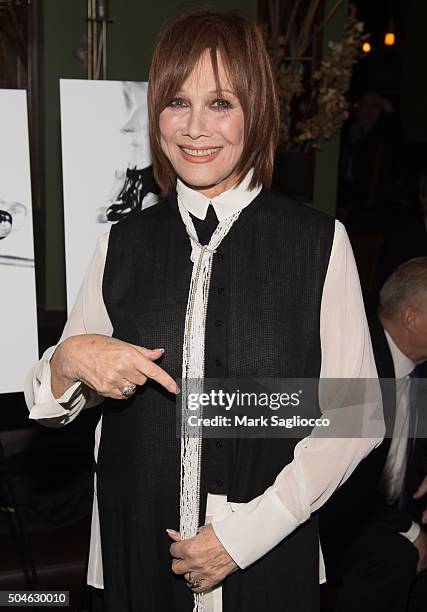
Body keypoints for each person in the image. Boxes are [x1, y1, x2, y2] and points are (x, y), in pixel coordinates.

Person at [25, 10, 383, 612]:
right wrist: (65, 363)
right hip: (133, 555)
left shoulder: (320, 243)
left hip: (267, 558)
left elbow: (359, 416)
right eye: (176, 103)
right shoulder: (120, 244)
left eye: (220, 103)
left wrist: (243, 537)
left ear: (257, 112)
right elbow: (48, 405)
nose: (195, 128)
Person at [320, 257, 427, 612]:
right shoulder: (355, 361)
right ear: (411, 318)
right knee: (394, 557)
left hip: (390, 509)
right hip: (337, 520)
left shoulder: (418, 371)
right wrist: (409, 528)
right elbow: (345, 484)